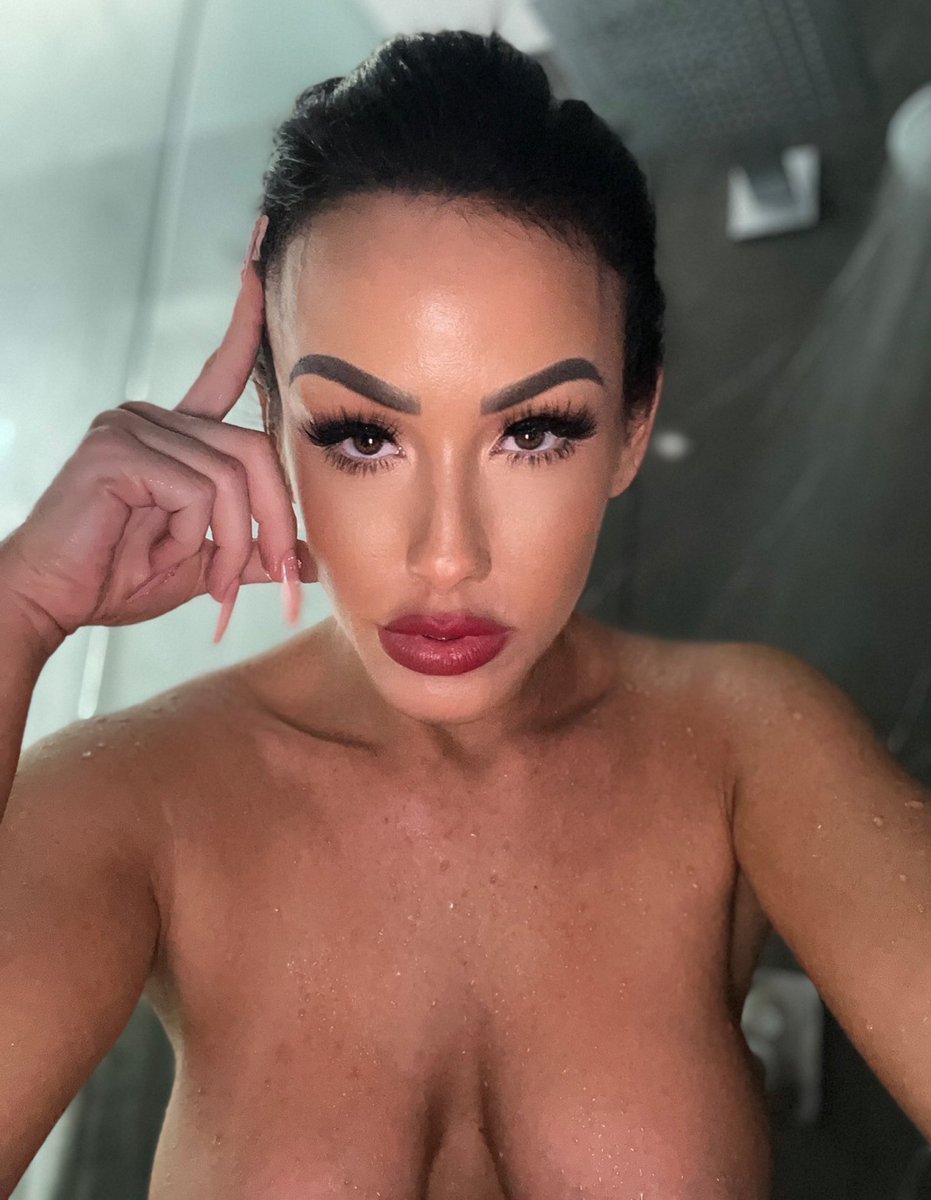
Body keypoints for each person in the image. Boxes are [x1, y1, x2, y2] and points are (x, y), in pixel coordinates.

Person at [1, 28, 928, 1200]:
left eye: (534, 433)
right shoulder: (127, 799)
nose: (447, 554)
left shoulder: (749, 747)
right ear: (274, 426)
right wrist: (18, 610)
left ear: (632, 428)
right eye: (362, 435)